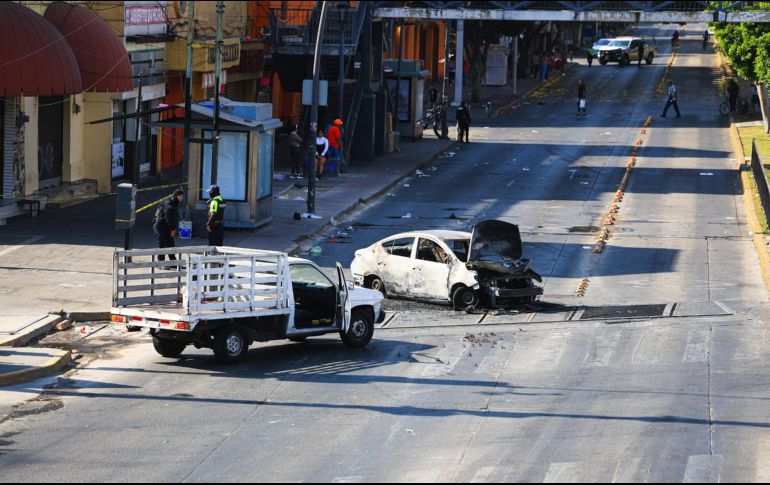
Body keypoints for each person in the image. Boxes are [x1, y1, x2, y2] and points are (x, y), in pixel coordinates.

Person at [153, 188, 183, 261]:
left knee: (171, 244)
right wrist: (173, 229)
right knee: (161, 244)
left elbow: (174, 218)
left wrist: (173, 228)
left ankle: (173, 262)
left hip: (167, 225)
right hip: (160, 225)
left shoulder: (175, 203)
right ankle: (161, 262)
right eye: (181, 196)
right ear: (177, 196)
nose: (182, 198)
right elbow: (169, 218)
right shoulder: (170, 204)